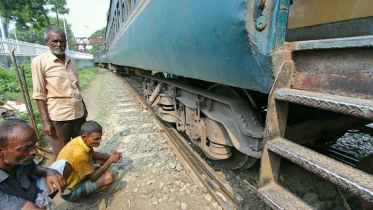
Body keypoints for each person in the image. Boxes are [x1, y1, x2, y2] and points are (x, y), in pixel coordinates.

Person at [31, 26, 88, 158]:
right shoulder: (39, 62)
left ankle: (83, 175)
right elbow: (39, 95)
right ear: (47, 42)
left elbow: (76, 87)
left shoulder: (71, 61)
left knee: (82, 148)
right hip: (59, 117)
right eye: (55, 41)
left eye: (62, 41)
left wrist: (84, 108)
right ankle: (65, 178)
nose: (59, 44)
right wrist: (46, 122)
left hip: (78, 114)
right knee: (63, 154)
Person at [0, 119, 66, 210]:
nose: (34, 151)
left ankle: (43, 203)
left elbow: (34, 169)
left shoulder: (19, 159)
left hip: (30, 196)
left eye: (34, 145)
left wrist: (48, 171)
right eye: (24, 148)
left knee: (63, 165)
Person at [56, 120, 122, 203]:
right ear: (84, 137)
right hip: (70, 191)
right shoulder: (79, 154)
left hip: (75, 174)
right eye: (96, 139)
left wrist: (109, 156)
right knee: (110, 177)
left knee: (102, 160)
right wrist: (110, 160)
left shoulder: (80, 140)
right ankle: (79, 198)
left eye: (100, 137)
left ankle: (86, 188)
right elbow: (93, 178)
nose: (100, 141)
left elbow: (93, 154)